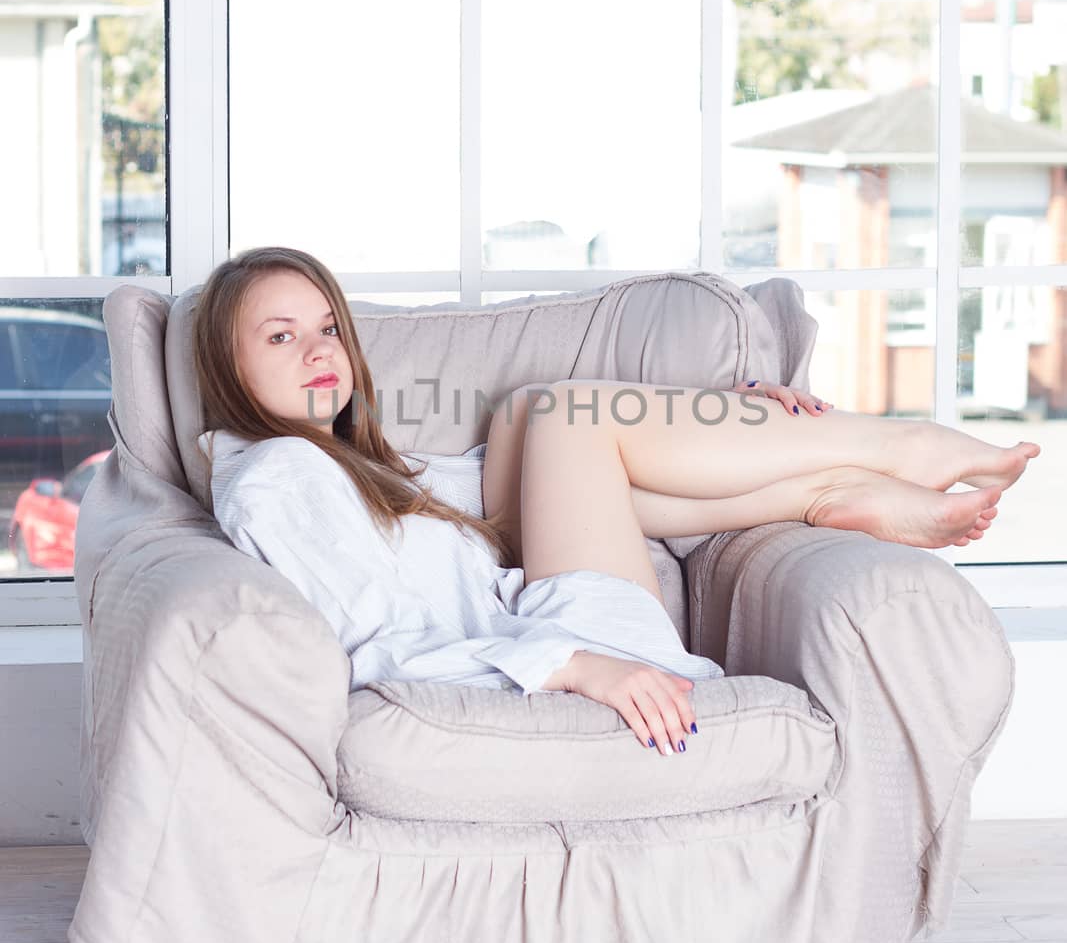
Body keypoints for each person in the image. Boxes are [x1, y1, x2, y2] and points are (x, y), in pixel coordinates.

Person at [193, 246, 1040, 761]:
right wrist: (578, 667)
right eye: (280, 336)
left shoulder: (350, 467)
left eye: (328, 327)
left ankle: (823, 489)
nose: (318, 351)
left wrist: (736, 418)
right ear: (229, 369)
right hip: (549, 665)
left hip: (545, 620)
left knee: (533, 415)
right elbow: (375, 645)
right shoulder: (278, 479)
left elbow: (532, 490)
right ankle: (892, 446)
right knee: (561, 416)